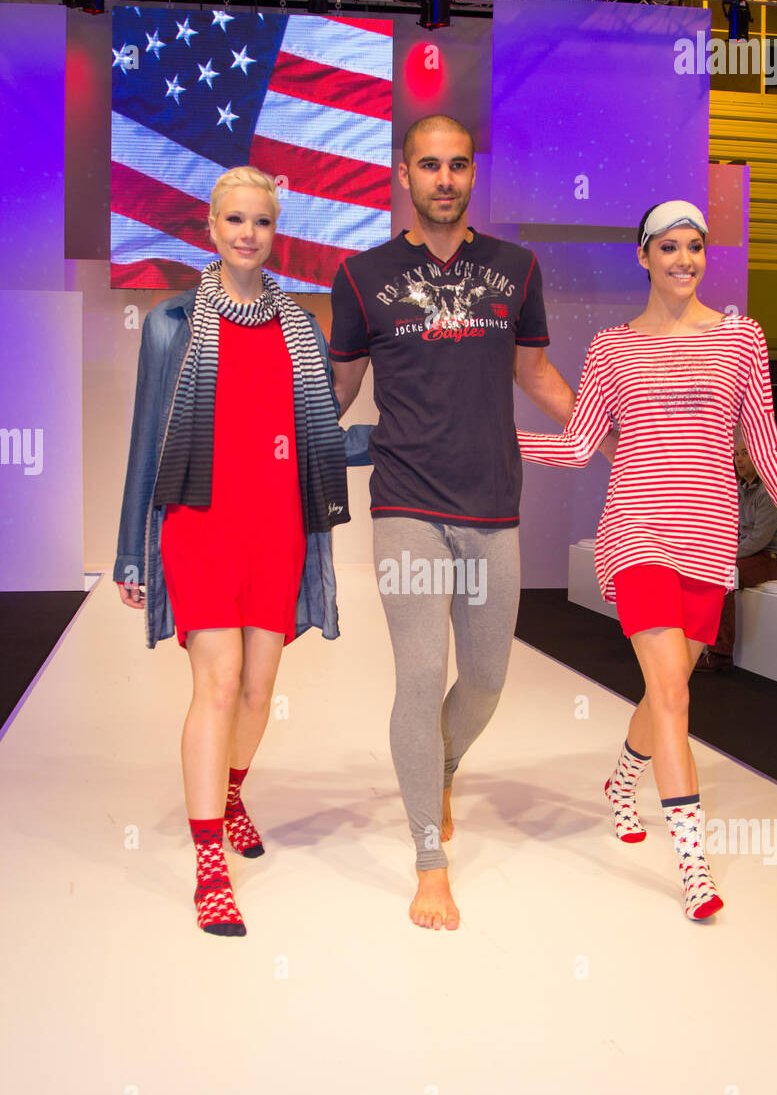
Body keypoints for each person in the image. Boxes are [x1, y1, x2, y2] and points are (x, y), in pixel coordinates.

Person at [328, 113, 615, 933]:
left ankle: (439, 766)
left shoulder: (515, 269)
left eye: (457, 166)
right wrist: (278, 445)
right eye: (429, 165)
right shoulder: (362, 277)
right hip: (407, 505)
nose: (444, 179)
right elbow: (338, 390)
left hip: (493, 509)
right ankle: (429, 856)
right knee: (421, 678)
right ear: (404, 175)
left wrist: (607, 432)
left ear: (470, 176)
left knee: (486, 680)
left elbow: (537, 373)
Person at [516, 200, 777, 921]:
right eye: (669, 247)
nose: (685, 260)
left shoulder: (741, 340)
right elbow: (577, 447)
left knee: (670, 689)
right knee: (674, 697)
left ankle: (623, 779)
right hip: (637, 534)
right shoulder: (610, 348)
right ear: (643, 256)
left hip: (710, 539)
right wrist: (501, 442)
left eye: (695, 247)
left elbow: (763, 443)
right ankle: (694, 866)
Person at [114, 166, 370, 938]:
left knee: (259, 693)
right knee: (218, 687)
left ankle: (231, 794)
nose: (248, 234)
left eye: (261, 221)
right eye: (235, 220)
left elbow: (323, 437)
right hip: (198, 525)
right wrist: (132, 550)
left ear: (273, 230)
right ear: (212, 227)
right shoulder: (172, 324)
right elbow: (144, 444)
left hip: (276, 531)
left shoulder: (300, 328)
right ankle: (208, 868)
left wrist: (410, 440)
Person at [695, 440, 777, 670]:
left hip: (774, 558)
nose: (738, 459)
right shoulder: (742, 487)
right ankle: (697, 643)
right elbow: (738, 531)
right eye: (736, 454)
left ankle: (721, 653)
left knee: (721, 576)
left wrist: (724, 555)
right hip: (753, 555)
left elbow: (760, 538)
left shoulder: (773, 489)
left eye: (744, 454)